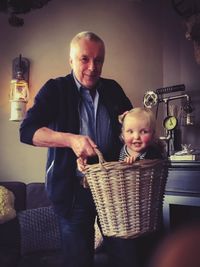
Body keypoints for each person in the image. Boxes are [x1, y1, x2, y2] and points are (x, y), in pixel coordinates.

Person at [19, 31, 132, 267]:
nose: (93, 67)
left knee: (125, 257)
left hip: (113, 192)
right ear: (71, 60)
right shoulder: (55, 89)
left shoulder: (113, 90)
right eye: (85, 59)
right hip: (71, 194)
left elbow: (130, 128)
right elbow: (27, 131)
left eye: (99, 60)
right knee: (77, 261)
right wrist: (71, 140)